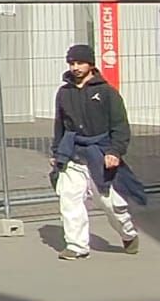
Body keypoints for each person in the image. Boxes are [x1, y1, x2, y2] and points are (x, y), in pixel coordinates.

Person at [52, 42, 143, 261]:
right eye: (72, 63)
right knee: (69, 198)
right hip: (72, 152)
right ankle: (76, 246)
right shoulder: (64, 93)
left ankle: (128, 234)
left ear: (91, 64)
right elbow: (59, 125)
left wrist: (115, 151)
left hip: (100, 153)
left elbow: (120, 126)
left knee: (111, 204)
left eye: (80, 62)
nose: (75, 67)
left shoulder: (107, 92)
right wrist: (56, 153)